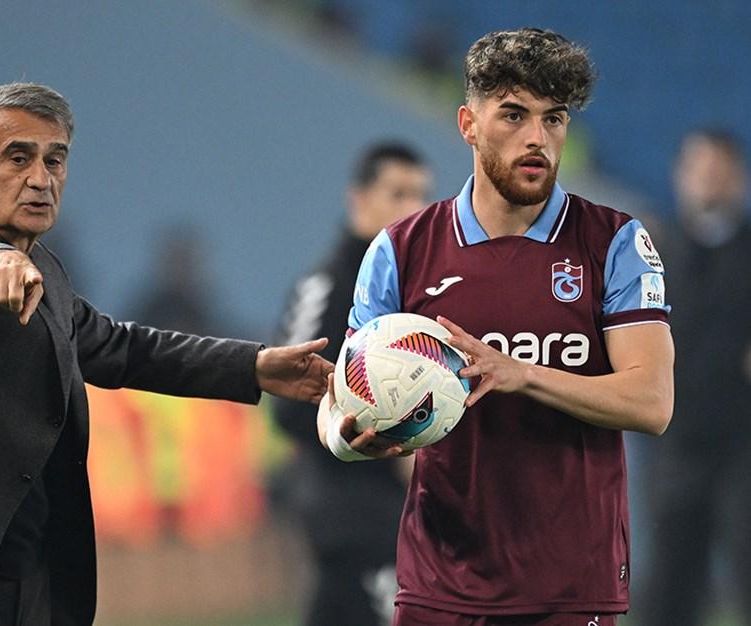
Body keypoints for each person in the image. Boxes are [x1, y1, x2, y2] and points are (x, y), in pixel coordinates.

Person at [0, 82, 333, 626]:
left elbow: (122, 348)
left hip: (17, 577)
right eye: (18, 157)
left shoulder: (47, 272)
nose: (40, 178)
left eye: (56, 160)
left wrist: (255, 366)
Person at [316, 29, 675, 625]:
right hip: (438, 581)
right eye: (514, 114)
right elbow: (341, 400)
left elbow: (652, 401)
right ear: (468, 124)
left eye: (553, 118)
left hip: (569, 587)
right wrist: (347, 439)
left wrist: (523, 374)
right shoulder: (401, 250)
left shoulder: (614, 243)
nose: (537, 138)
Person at [273, 142, 432, 626]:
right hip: (352, 508)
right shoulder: (329, 284)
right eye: (398, 193)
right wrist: (380, 432)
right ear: (358, 199)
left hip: (410, 509)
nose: (414, 209)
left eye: (421, 195)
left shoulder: (421, 288)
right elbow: (287, 404)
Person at [639, 130, 751, 625]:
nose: (707, 179)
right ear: (680, 175)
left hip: (743, 439)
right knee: (670, 573)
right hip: (674, 438)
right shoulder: (652, 253)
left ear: (739, 178)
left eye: (718, 168)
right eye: (699, 167)